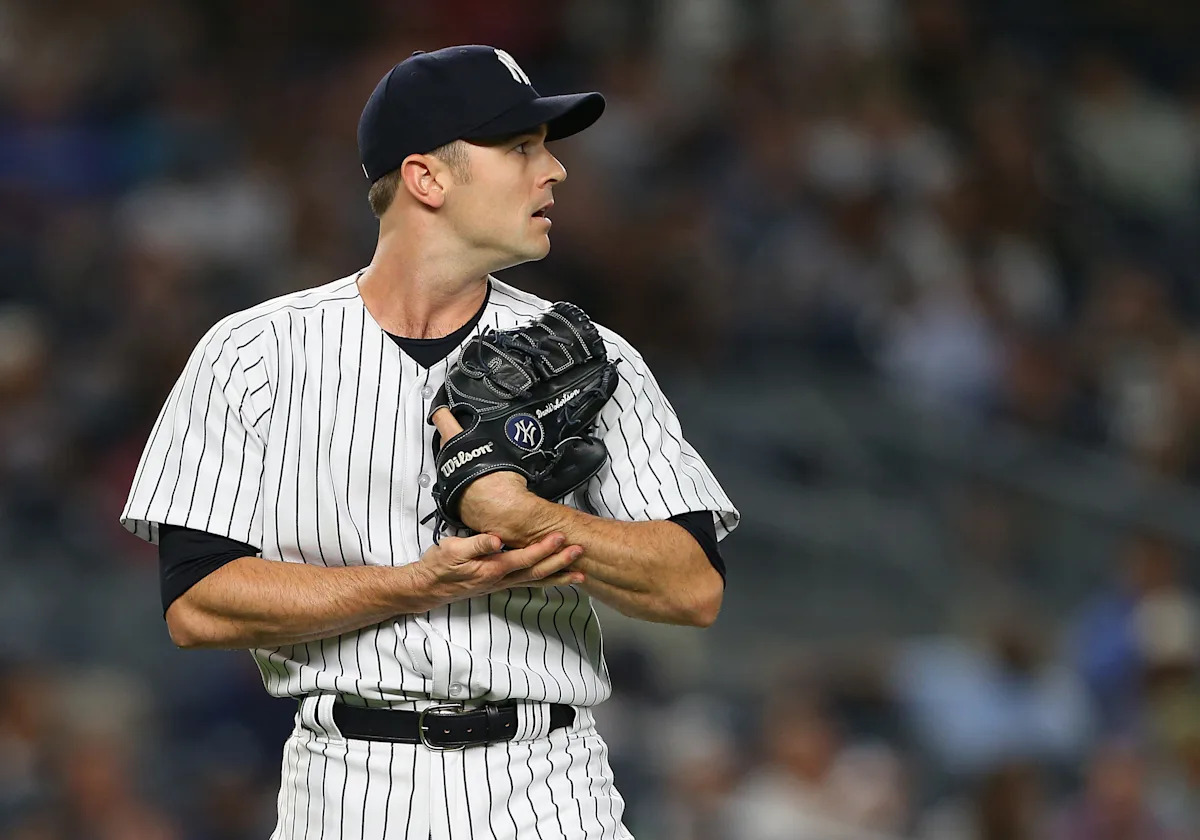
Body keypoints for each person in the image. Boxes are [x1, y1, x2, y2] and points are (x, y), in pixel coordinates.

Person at [120, 44, 739, 840]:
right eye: (521, 148)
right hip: (344, 788)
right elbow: (197, 603)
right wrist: (416, 584)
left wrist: (526, 517)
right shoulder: (254, 353)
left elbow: (694, 586)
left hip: (547, 786)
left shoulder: (587, 355)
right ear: (427, 178)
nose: (554, 172)